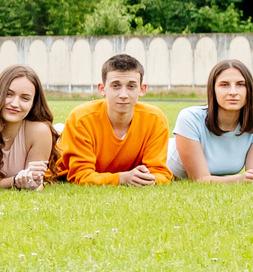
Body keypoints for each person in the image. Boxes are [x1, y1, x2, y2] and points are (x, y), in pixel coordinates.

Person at [57, 52, 173, 187]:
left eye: (131, 86)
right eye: (116, 86)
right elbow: (80, 175)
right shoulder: (81, 118)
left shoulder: (155, 119)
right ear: (102, 89)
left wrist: (147, 179)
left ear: (142, 89)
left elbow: (159, 172)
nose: (123, 95)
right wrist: (120, 179)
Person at [171, 58, 253, 183]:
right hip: (164, 170)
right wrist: (240, 179)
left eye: (240, 84)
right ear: (213, 90)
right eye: (224, 85)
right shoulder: (190, 118)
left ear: (249, 90)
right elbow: (200, 179)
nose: (233, 92)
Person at [0, 64, 59, 191]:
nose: (15, 104)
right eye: (8, 94)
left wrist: (33, 181)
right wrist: (15, 181)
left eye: (25, 98)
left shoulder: (40, 131)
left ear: (33, 103)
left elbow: (34, 183)